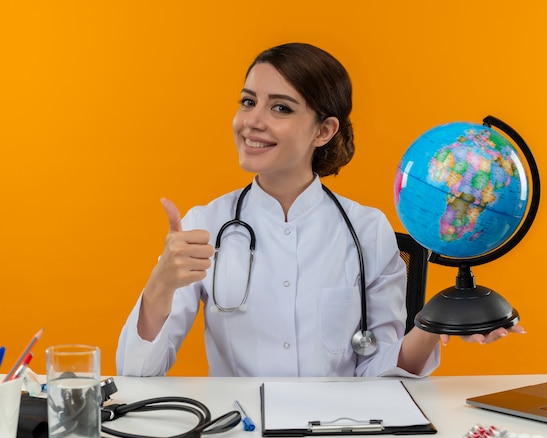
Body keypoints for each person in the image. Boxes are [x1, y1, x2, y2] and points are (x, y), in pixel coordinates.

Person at [116, 43, 522, 377]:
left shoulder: (367, 230)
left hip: (338, 431)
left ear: (324, 130)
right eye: (248, 101)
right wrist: (160, 285)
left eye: (281, 108)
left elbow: (382, 371)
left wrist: (437, 320)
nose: (252, 122)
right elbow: (135, 374)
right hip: (242, 433)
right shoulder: (206, 225)